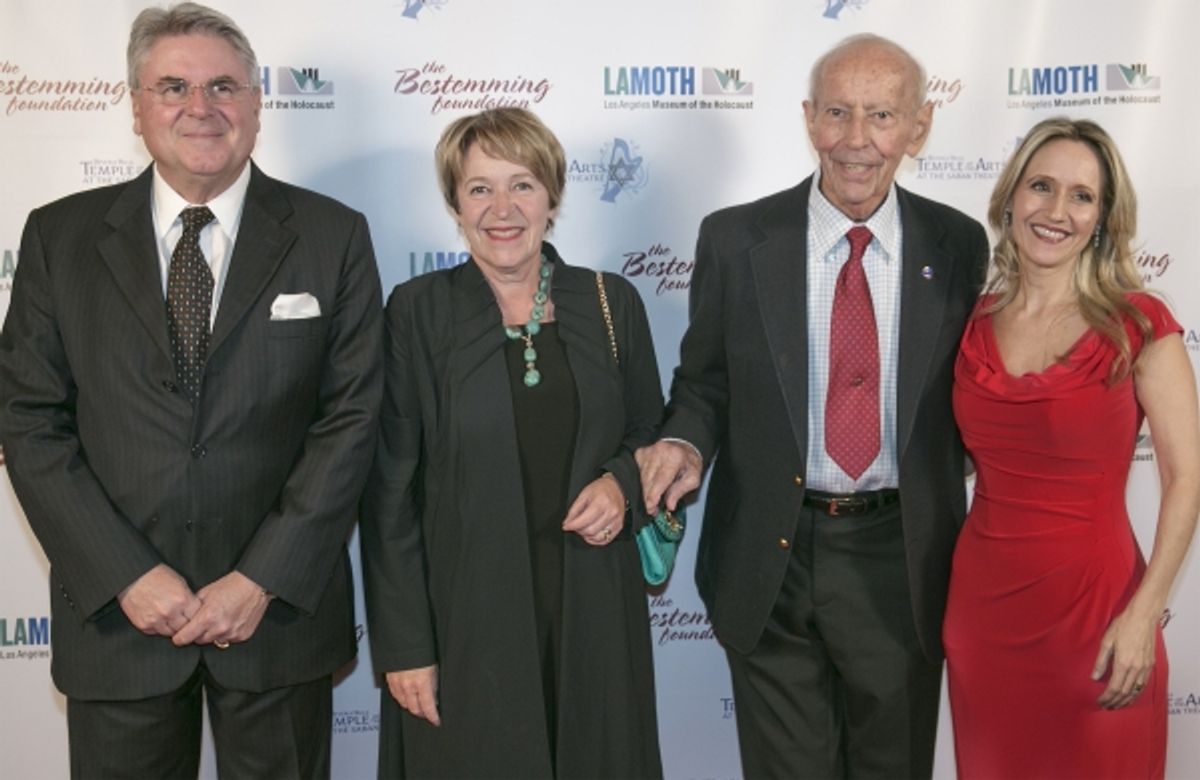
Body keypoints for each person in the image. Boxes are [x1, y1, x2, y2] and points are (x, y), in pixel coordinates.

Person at [0, 3, 383, 778]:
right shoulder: (57, 237)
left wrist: (260, 579)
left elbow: (352, 419)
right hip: (117, 622)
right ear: (136, 107)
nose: (200, 108)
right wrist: (127, 575)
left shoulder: (332, 234)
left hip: (277, 620)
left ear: (256, 104)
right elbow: (29, 418)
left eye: (223, 87)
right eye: (172, 86)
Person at [637, 33, 989, 778]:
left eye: (881, 116)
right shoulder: (735, 239)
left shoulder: (959, 245)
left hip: (902, 560)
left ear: (919, 127)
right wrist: (686, 444)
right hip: (771, 557)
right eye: (837, 112)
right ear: (807, 118)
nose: (856, 140)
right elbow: (704, 383)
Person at [359, 107, 664, 779]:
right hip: (465, 619)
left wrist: (622, 484)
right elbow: (388, 493)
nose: (503, 208)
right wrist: (406, 644)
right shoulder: (417, 312)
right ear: (455, 204)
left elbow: (650, 433)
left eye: (522, 184)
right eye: (479, 188)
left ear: (552, 197)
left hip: (592, 615)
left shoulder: (612, 301)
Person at [943, 117, 1200, 778]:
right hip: (983, 621)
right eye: (1042, 186)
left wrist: (1145, 613)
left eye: (1082, 196)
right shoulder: (966, 325)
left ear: (1103, 218)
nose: (1057, 211)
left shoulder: (1138, 323)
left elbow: (1185, 478)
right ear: (1010, 197)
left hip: (1099, 620)